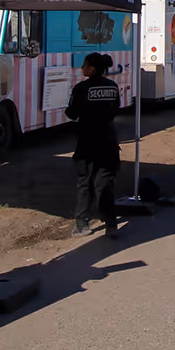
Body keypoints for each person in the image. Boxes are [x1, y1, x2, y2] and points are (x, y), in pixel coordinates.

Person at [66, 52, 121, 238]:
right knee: (104, 184)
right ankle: (111, 224)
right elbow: (114, 111)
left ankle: (82, 224)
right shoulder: (113, 86)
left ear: (91, 68)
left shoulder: (82, 88)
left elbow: (72, 113)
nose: (82, 68)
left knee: (85, 183)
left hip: (87, 142)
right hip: (108, 142)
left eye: (84, 65)